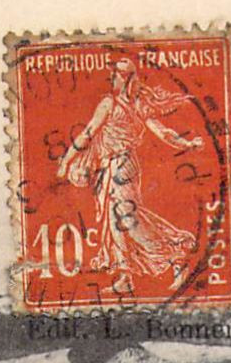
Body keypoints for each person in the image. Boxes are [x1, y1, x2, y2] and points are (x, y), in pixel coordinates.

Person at [57, 59, 203, 295]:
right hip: (112, 166)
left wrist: (66, 160)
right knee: (114, 223)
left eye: (114, 76)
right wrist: (187, 143)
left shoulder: (113, 103)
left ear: (123, 78)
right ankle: (125, 276)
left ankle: (174, 258)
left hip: (121, 166)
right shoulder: (131, 104)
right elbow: (163, 132)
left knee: (128, 217)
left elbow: (88, 133)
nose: (111, 80)